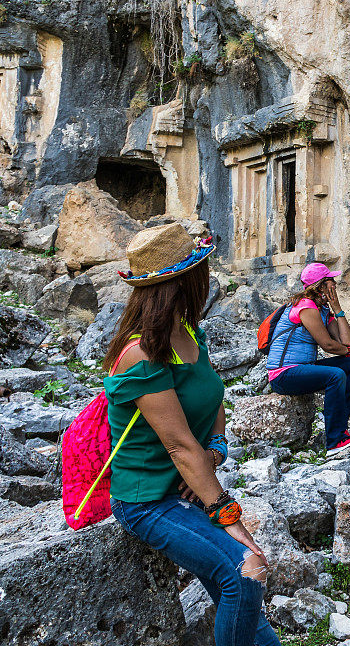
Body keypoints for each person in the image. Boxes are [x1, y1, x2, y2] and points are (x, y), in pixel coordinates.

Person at [103, 222, 280, 646]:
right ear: (184, 283)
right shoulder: (140, 355)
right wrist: (226, 512)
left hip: (190, 488)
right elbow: (179, 446)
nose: (208, 280)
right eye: (201, 271)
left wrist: (215, 450)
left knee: (236, 587)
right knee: (246, 569)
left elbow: (212, 394)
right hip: (148, 501)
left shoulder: (185, 332)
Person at [266, 262, 350, 457]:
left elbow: (346, 340)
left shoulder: (322, 310)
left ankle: (340, 429)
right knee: (336, 375)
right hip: (284, 374)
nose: (335, 284)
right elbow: (329, 346)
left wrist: (337, 308)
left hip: (303, 369)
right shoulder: (305, 306)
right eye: (331, 281)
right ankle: (335, 441)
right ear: (321, 286)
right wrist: (346, 350)